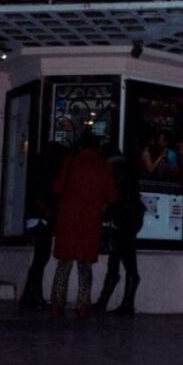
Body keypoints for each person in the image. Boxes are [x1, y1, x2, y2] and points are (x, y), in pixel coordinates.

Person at [50, 133, 117, 319]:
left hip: (68, 219)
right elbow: (111, 196)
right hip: (90, 221)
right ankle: (82, 305)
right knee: (85, 266)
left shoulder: (70, 162)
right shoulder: (104, 166)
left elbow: (57, 188)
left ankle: (57, 304)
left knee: (64, 265)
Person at [92, 144, 147, 315]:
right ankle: (115, 303)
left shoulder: (114, 169)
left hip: (124, 219)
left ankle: (110, 302)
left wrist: (105, 214)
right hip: (130, 218)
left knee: (120, 260)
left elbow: (115, 197)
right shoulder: (125, 167)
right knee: (121, 259)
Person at [19, 141, 68, 309]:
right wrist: (48, 213)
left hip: (36, 217)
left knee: (40, 259)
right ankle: (33, 294)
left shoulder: (39, 168)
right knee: (41, 258)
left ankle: (30, 294)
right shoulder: (48, 171)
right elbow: (41, 196)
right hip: (42, 219)